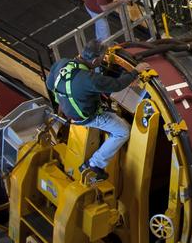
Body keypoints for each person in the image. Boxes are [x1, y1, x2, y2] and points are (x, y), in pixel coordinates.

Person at [46, 41, 147, 182]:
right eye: (101, 59)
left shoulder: (62, 63)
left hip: (68, 109)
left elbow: (50, 85)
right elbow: (117, 85)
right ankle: (95, 164)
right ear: (94, 60)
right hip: (87, 117)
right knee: (123, 131)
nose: (101, 62)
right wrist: (135, 72)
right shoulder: (90, 80)